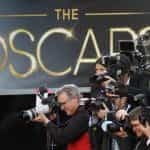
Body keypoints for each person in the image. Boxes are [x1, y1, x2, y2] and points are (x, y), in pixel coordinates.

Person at [33, 84, 91, 150]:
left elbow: (62, 138)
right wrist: (50, 121)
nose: (62, 108)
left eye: (63, 103)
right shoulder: (77, 114)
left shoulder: (83, 115)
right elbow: (61, 131)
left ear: (75, 99)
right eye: (60, 104)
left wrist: (47, 121)